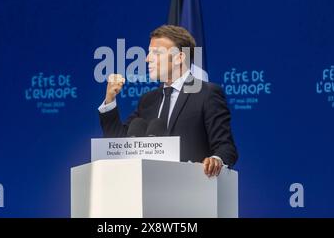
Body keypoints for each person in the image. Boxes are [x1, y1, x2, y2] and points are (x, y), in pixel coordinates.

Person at [98, 25, 238, 177]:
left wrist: (215, 160)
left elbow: (225, 147)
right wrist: (110, 99)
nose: (146, 58)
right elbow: (119, 143)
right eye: (148, 52)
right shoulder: (148, 100)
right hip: (149, 189)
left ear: (179, 57)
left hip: (191, 188)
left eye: (156, 53)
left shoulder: (206, 93)